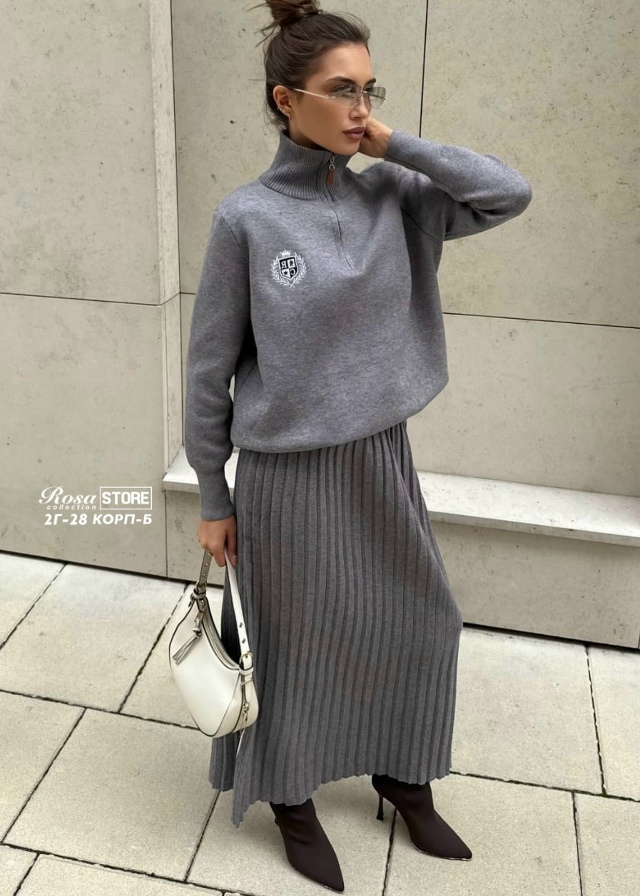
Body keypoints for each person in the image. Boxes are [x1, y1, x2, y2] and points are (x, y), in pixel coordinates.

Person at [184, 0, 532, 890]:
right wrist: (214, 498)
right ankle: (290, 797)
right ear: (286, 99)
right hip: (284, 477)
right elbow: (208, 371)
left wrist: (392, 144)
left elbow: (507, 192)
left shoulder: (400, 196)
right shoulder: (246, 219)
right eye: (341, 90)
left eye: (369, 89)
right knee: (295, 645)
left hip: (380, 459)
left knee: (421, 622)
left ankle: (402, 776)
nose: (360, 107)